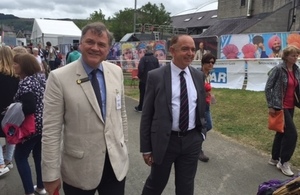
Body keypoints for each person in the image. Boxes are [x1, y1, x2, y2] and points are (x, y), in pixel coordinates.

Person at [42, 22, 129, 195]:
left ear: (108, 49)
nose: (95, 48)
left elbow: (122, 114)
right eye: (90, 42)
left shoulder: (116, 72)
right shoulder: (58, 78)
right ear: (81, 44)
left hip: (115, 165)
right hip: (79, 169)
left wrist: (124, 147)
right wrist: (50, 174)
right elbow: (51, 130)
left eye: (101, 44)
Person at [140, 34, 206, 195]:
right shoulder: (156, 76)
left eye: (192, 49)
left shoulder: (198, 76)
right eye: (185, 49)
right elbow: (147, 114)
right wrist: (146, 148)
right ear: (172, 51)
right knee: (156, 184)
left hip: (191, 141)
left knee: (186, 187)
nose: (190, 53)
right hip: (165, 141)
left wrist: (201, 134)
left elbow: (201, 107)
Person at [13, 53, 46, 195]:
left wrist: (14, 107)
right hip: (42, 124)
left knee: (20, 156)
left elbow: (29, 107)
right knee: (38, 155)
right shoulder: (39, 79)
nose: (13, 66)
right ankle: (40, 186)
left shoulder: (26, 82)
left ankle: (29, 191)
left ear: (24, 66)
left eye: (16, 64)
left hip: (30, 126)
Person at [265, 45, 300, 177]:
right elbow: (268, 87)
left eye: (297, 55)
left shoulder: (296, 70)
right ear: (286, 56)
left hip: (291, 106)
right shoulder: (279, 69)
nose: (295, 57)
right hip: (280, 106)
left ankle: (274, 158)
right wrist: (271, 105)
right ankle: (283, 162)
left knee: (281, 132)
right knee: (292, 134)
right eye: (293, 55)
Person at [0, 46, 19, 176]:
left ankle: (0, 164)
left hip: (0, 108)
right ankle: (8, 160)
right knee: (10, 134)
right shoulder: (17, 75)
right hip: (13, 109)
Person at [198, 53, 216, 162]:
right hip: (200, 105)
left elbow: (206, 89)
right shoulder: (199, 74)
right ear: (203, 62)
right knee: (206, 126)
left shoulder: (208, 75)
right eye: (208, 62)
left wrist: (211, 95)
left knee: (205, 126)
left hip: (206, 104)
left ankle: (195, 147)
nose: (210, 64)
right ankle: (197, 149)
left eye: (213, 62)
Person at [134, 44, 160, 112]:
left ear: (146, 50)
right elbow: (158, 69)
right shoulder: (155, 59)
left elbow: (141, 69)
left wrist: (140, 76)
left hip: (144, 80)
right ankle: (152, 108)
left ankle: (141, 107)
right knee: (153, 94)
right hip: (154, 80)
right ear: (152, 50)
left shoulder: (143, 59)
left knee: (142, 94)